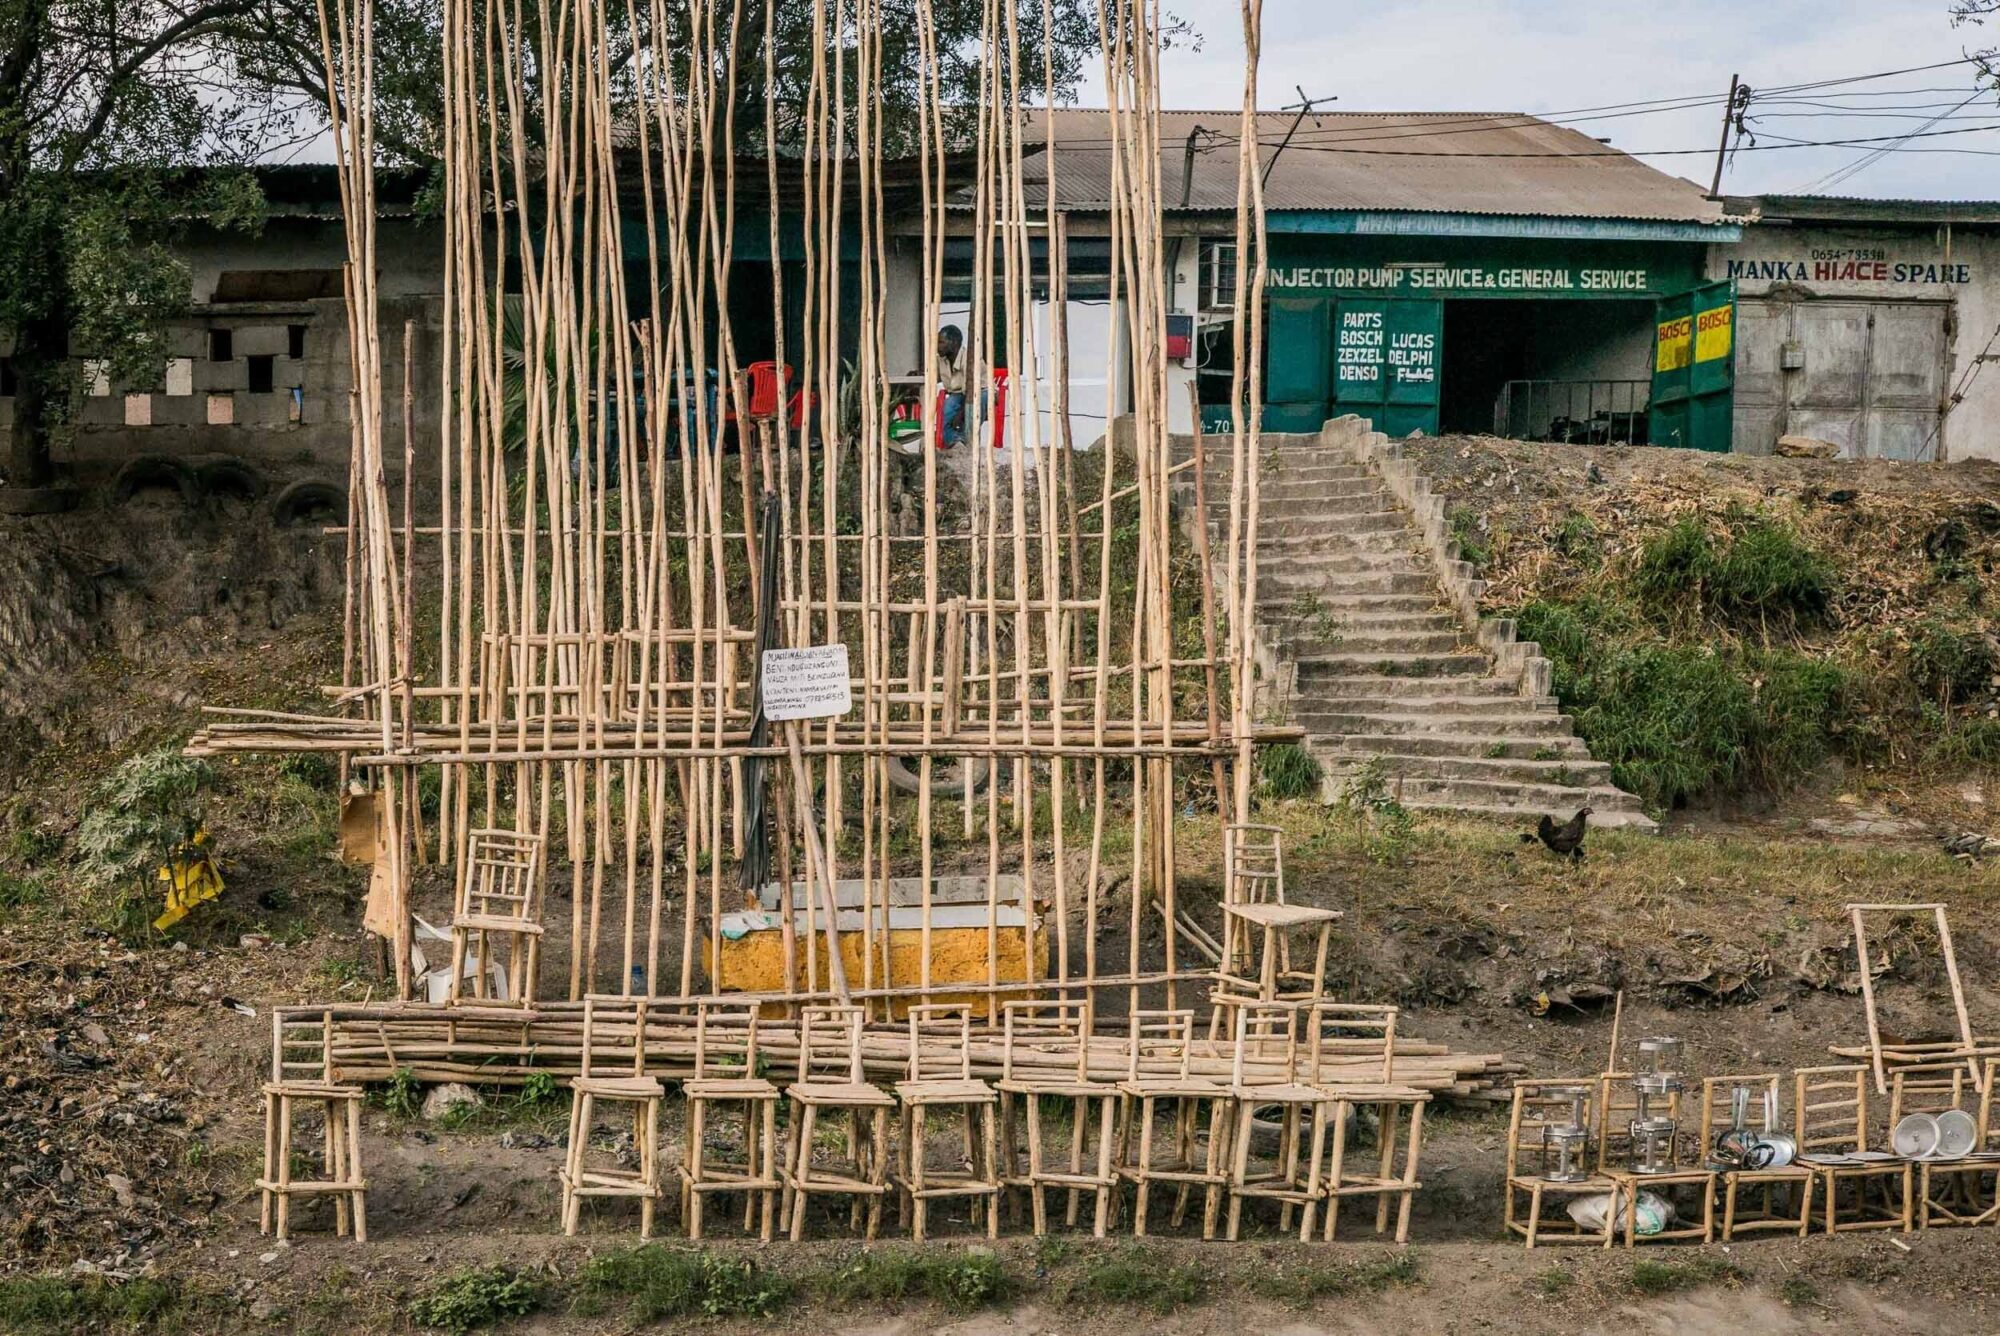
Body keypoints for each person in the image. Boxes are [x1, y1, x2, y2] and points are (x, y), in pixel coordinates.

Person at [937, 324, 968, 446]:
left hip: (979, 392)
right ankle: (955, 443)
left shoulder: (968, 358)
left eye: (941, 342)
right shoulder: (942, 359)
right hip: (958, 394)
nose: (937, 346)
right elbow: (934, 374)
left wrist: (961, 412)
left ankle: (963, 442)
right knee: (948, 408)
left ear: (954, 343)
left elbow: (973, 389)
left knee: (956, 408)